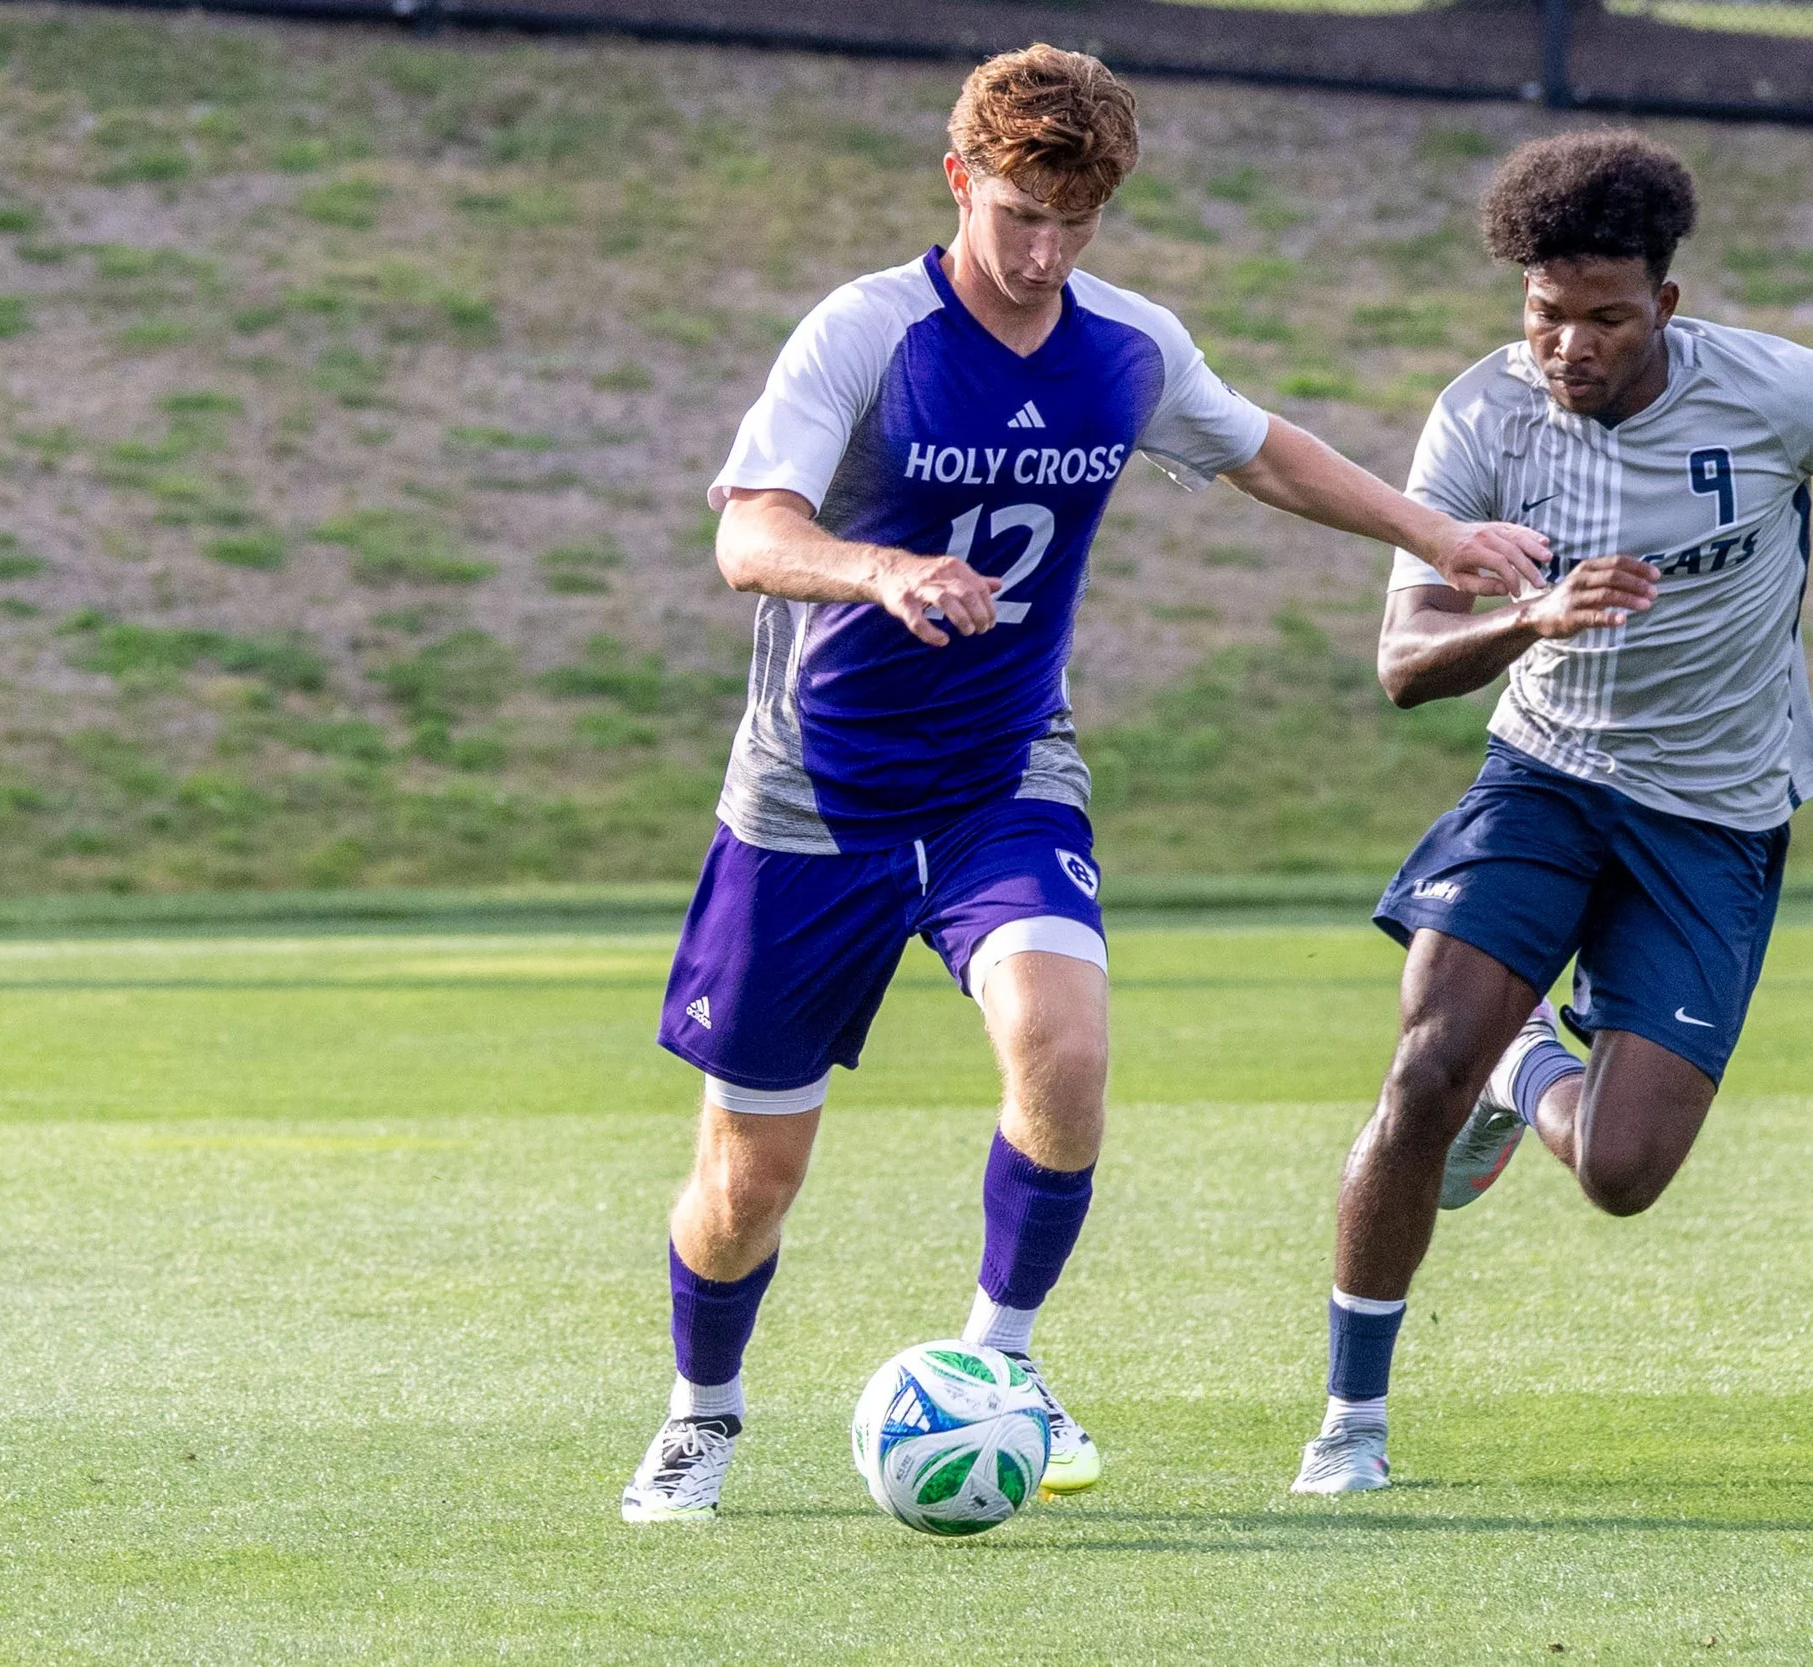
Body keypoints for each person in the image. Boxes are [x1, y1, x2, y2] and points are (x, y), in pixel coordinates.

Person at [623, 42, 1549, 1521]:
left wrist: (1439, 539)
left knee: (1063, 1048)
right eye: (1017, 217)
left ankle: (1003, 1365)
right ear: (958, 182)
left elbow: (1262, 452)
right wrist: (878, 569)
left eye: (1077, 224)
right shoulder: (864, 334)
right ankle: (703, 1412)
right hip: (813, 796)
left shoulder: (1127, 345)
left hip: (1006, 774)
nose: (1044, 253)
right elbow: (749, 536)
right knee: (748, 1181)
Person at [1290, 129, 1813, 1494]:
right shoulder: (1480, 418)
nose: (1571, 346)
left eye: (1607, 317)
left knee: (1620, 1171)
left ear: (1666, 303)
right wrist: (1533, 614)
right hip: (1543, 779)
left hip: (1714, 814)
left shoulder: (1777, 393)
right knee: (1420, 1066)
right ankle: (1348, 1428)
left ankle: (1527, 1066)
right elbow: (1404, 664)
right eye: (1548, 315)